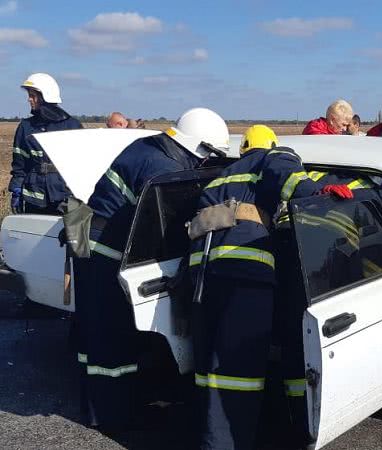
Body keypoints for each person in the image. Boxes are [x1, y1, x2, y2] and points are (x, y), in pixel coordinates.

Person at [189, 125, 352, 449]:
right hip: (245, 269)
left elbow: (199, 222)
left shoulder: (221, 175)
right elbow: (287, 176)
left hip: (203, 274)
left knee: (209, 364)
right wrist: (313, 195)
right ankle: (230, 443)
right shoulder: (271, 157)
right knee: (239, 368)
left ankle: (210, 437)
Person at [72, 107, 230, 430]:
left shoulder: (151, 146)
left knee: (93, 332)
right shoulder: (163, 167)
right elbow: (176, 223)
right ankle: (110, 415)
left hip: (93, 243)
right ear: (199, 147)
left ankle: (96, 405)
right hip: (105, 251)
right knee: (109, 337)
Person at [9, 73, 83, 214]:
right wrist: (17, 190)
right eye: (29, 95)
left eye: (33, 95)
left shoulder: (72, 125)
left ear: (46, 96)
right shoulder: (25, 127)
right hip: (34, 198)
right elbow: (19, 165)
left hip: (65, 197)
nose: (29, 99)